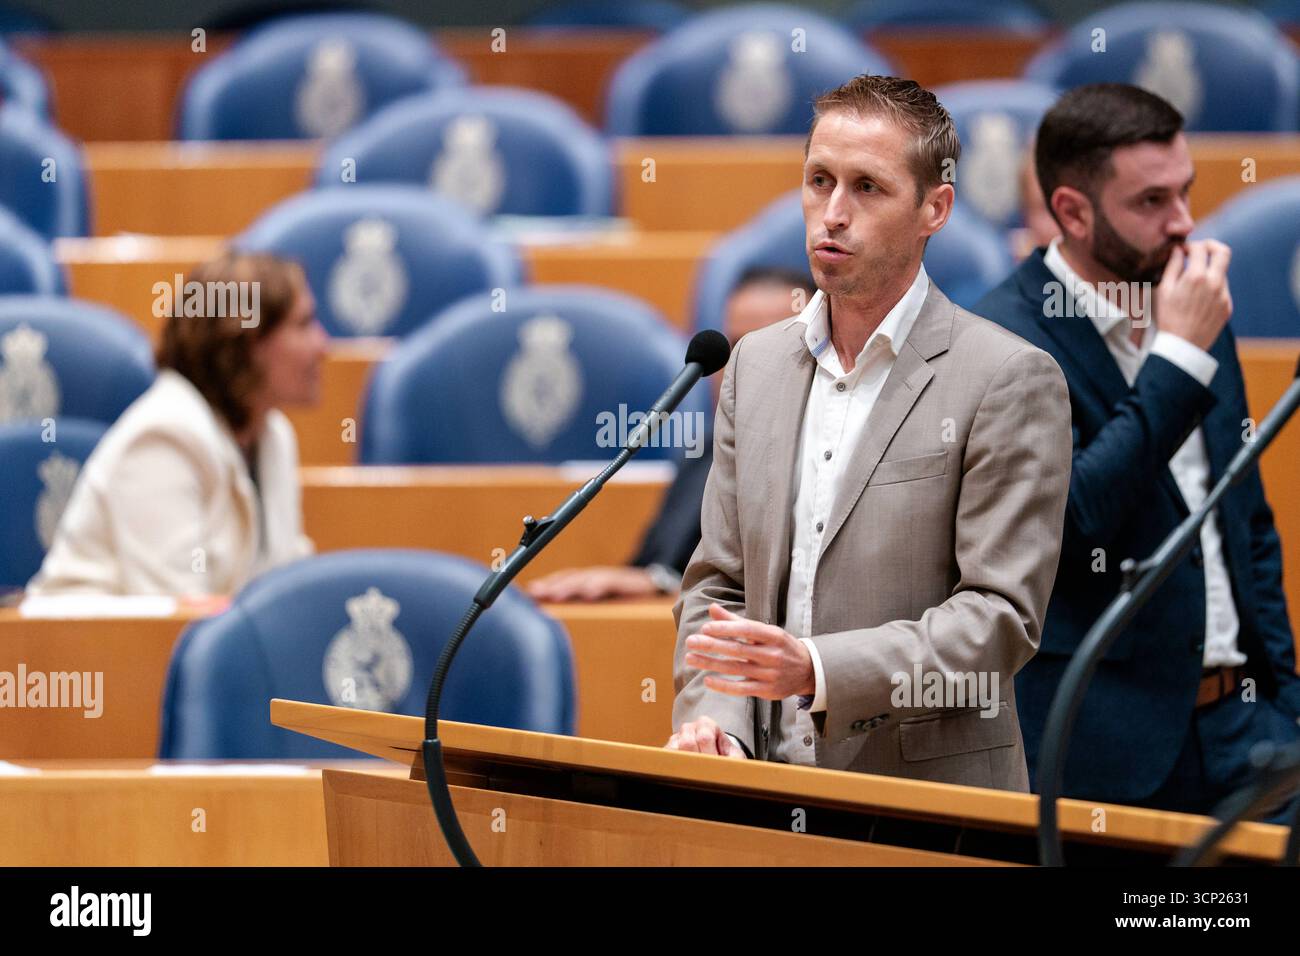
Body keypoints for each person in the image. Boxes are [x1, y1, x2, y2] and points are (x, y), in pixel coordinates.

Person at [667, 74, 1073, 792]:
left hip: (929, 803)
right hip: (762, 793)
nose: (832, 214)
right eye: (819, 180)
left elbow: (999, 617)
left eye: (867, 188)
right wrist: (717, 719)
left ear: (934, 208)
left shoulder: (1007, 377)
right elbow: (719, 585)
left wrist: (819, 670)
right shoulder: (755, 364)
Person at [975, 84, 1300, 817]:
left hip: (1250, 731)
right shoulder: (1001, 338)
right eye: (1151, 202)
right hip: (1105, 750)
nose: (1183, 223)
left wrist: (1284, 701)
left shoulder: (1190, 302)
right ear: (1071, 212)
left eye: (1185, 192)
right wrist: (1178, 358)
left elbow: (1244, 524)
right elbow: (1076, 517)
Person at [28, 252, 325, 596]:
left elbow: (281, 588)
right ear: (247, 343)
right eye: (304, 325)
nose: (322, 345)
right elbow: (177, 613)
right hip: (84, 646)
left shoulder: (274, 435)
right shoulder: (165, 436)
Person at [525, 267, 816, 603]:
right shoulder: (708, 449)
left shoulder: (830, 460)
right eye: (735, 346)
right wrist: (649, 581)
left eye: (769, 346)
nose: (745, 365)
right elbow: (659, 566)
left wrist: (661, 584)